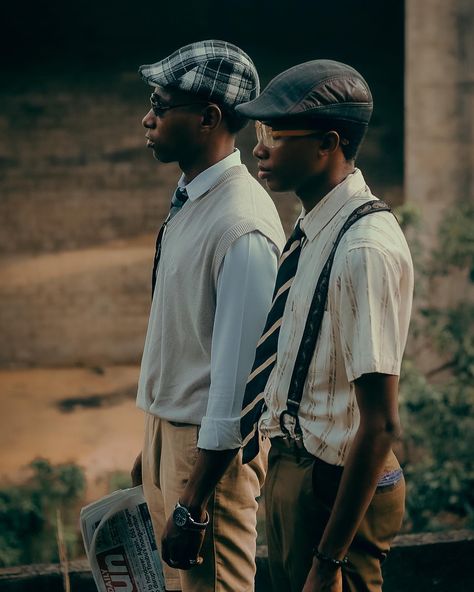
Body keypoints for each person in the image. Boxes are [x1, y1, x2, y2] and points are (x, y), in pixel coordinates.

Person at [235, 60, 414, 592]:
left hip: (333, 486)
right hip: (296, 469)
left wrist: (328, 561)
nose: (259, 148)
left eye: (276, 135)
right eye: (259, 133)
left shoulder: (362, 247)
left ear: (327, 144)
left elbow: (380, 423)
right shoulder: (314, 228)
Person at [131, 40, 285, 592]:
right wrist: (151, 447)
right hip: (170, 440)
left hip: (207, 463)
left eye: (160, 104)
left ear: (208, 118)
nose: (147, 118)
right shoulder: (192, 199)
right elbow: (182, 340)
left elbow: (238, 385)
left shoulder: (241, 226)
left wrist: (194, 505)